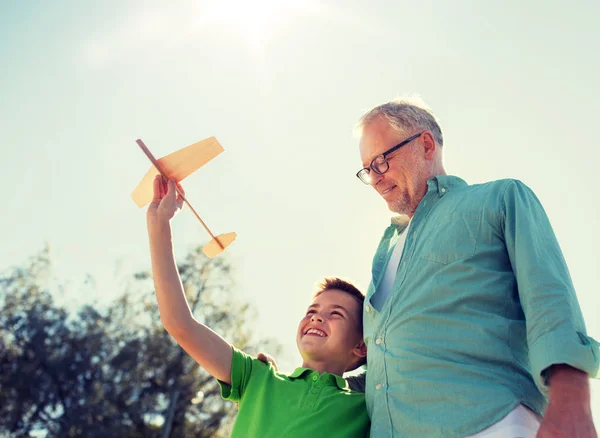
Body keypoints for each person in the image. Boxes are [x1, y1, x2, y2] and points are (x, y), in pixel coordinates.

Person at [354, 97, 599, 437]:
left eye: (381, 162)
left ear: (425, 144)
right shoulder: (386, 251)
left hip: (492, 424)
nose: (376, 179)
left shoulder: (499, 200)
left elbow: (549, 298)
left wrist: (572, 401)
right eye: (368, 170)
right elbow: (388, 360)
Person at [145, 175, 370, 438]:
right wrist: (158, 224)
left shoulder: (368, 409)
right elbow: (179, 323)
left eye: (336, 314)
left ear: (361, 345)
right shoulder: (257, 378)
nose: (316, 318)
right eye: (311, 311)